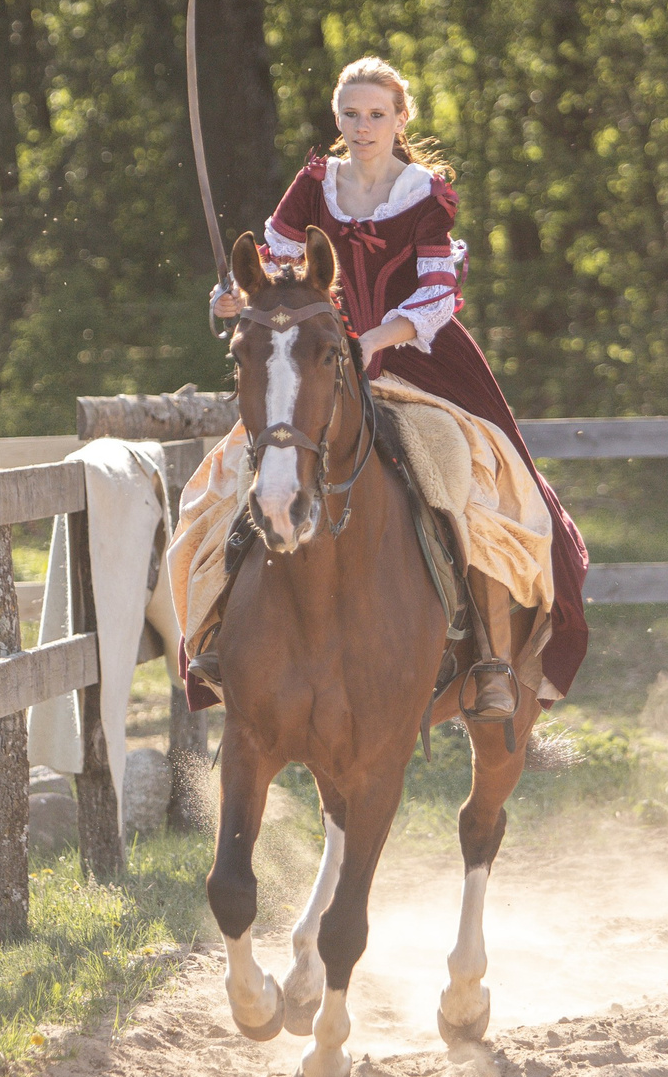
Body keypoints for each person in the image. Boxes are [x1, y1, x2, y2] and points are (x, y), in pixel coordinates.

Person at [199, 55, 589, 721]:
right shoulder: (315, 181)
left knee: (465, 477)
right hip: (323, 362)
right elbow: (273, 266)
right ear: (336, 118)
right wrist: (239, 298)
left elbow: (440, 290)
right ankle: (215, 634)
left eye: (376, 114)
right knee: (235, 474)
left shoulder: (424, 193)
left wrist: (377, 338)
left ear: (400, 117)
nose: (362, 125)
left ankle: (493, 654)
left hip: (419, 358)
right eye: (350, 114)